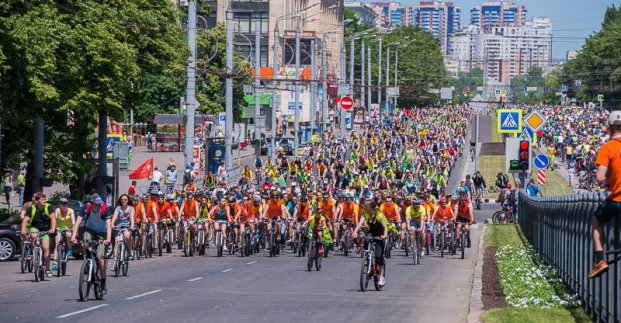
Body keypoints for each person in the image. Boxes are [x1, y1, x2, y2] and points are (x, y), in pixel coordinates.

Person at [589, 110, 621, 278]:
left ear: (609, 128)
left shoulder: (607, 148)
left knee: (597, 220)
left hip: (617, 199)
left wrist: (609, 181)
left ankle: (600, 260)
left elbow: (600, 177)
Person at [72, 194, 111, 294]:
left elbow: (109, 225)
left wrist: (108, 239)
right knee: (85, 242)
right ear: (92, 203)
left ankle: (103, 282)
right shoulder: (86, 207)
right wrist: (73, 236)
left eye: (99, 204)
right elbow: (77, 222)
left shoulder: (104, 209)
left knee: (100, 258)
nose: (99, 206)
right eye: (96, 204)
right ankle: (86, 261)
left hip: (102, 233)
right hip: (90, 230)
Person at [352, 200, 388, 287]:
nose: (364, 208)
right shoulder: (366, 213)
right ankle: (368, 259)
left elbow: (385, 227)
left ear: (371, 207)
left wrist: (385, 235)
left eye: (365, 206)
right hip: (371, 233)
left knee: (379, 257)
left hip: (380, 235)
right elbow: (360, 223)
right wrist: (355, 232)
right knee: (366, 242)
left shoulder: (379, 214)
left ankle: (382, 277)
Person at [21, 193, 56, 277]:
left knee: (46, 248)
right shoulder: (32, 208)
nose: (44, 200)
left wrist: (53, 229)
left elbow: (53, 218)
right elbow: (25, 220)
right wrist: (23, 230)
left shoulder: (49, 207)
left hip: (46, 230)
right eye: (42, 199)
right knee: (33, 235)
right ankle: (34, 253)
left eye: (45, 199)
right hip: (35, 228)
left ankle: (47, 269)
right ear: (37, 201)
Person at [111, 194, 135, 263]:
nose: (123, 201)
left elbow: (132, 218)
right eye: (122, 200)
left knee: (127, 236)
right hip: (118, 227)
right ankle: (114, 264)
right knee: (117, 243)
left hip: (127, 227)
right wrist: (112, 224)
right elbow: (115, 216)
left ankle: (130, 252)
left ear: (128, 201)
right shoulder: (118, 208)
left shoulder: (131, 208)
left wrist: (132, 226)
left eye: (125, 200)